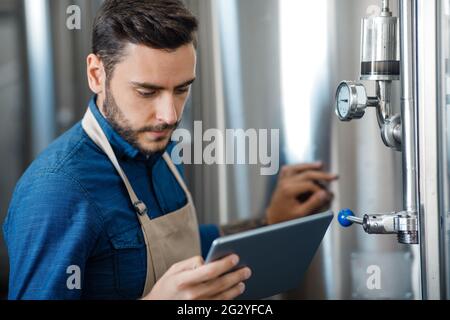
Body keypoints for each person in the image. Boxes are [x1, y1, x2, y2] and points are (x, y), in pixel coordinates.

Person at [2, 0, 337, 300]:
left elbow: (182, 248)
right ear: (96, 75)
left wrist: (268, 221)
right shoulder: (57, 191)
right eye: (147, 92)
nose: (170, 115)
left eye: (181, 90)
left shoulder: (155, 146)